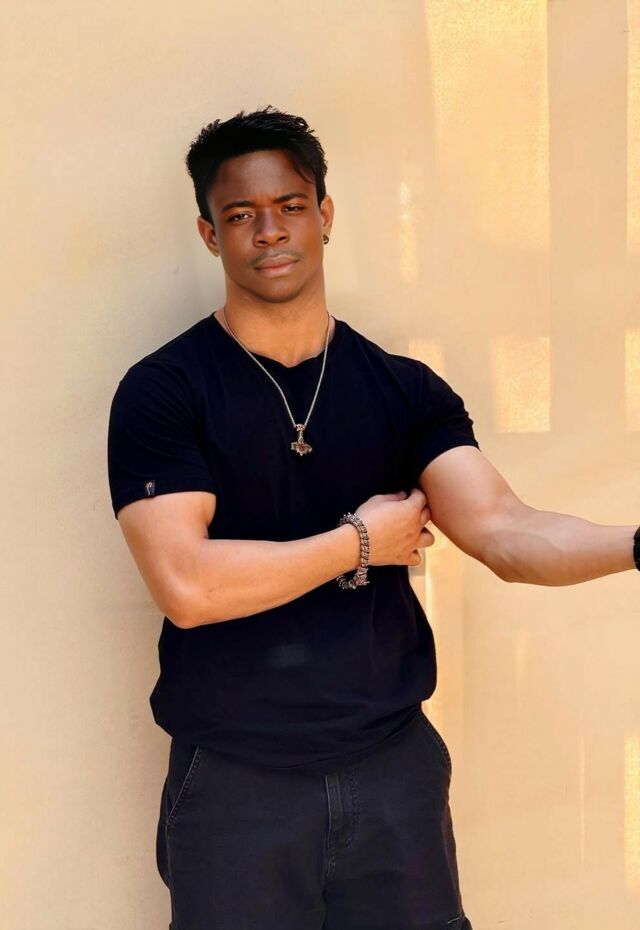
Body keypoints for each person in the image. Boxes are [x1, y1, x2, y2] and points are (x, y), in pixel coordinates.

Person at [106, 105, 640, 930]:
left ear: (324, 214)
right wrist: (360, 541)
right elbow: (188, 585)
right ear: (211, 235)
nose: (269, 231)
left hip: (393, 770)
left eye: (289, 206)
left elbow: (507, 531)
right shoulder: (165, 390)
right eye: (240, 215)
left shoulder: (401, 389)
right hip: (237, 784)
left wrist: (637, 544)